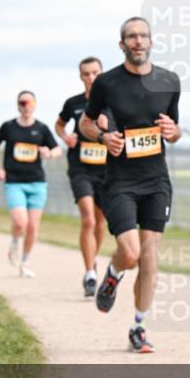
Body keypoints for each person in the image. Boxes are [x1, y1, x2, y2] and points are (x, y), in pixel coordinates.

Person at [79, 17, 182, 354]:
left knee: (150, 255)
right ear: (122, 44)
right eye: (131, 37)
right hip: (120, 180)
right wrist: (104, 136)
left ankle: (138, 327)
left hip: (156, 180)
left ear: (151, 42)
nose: (138, 41)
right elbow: (86, 123)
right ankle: (112, 272)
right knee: (131, 253)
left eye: (143, 36)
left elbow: (175, 129)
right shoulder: (107, 82)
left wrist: (173, 132)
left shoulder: (168, 81)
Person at [56, 57, 115, 297]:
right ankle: (90, 272)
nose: (91, 78)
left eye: (95, 73)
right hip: (80, 168)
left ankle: (92, 259)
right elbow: (59, 124)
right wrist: (65, 137)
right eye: (86, 74)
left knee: (100, 222)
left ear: (101, 74)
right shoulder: (73, 103)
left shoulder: (112, 102)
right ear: (81, 76)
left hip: (106, 169)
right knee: (88, 219)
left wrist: (107, 127)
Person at [0, 90, 62, 278]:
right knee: (21, 222)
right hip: (14, 182)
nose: (26, 106)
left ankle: (25, 263)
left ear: (35, 105)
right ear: (17, 105)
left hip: (37, 182)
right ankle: (15, 241)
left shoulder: (42, 128)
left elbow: (57, 150)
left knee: (32, 226)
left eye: (29, 102)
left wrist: (49, 153)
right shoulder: (8, 127)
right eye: (22, 103)